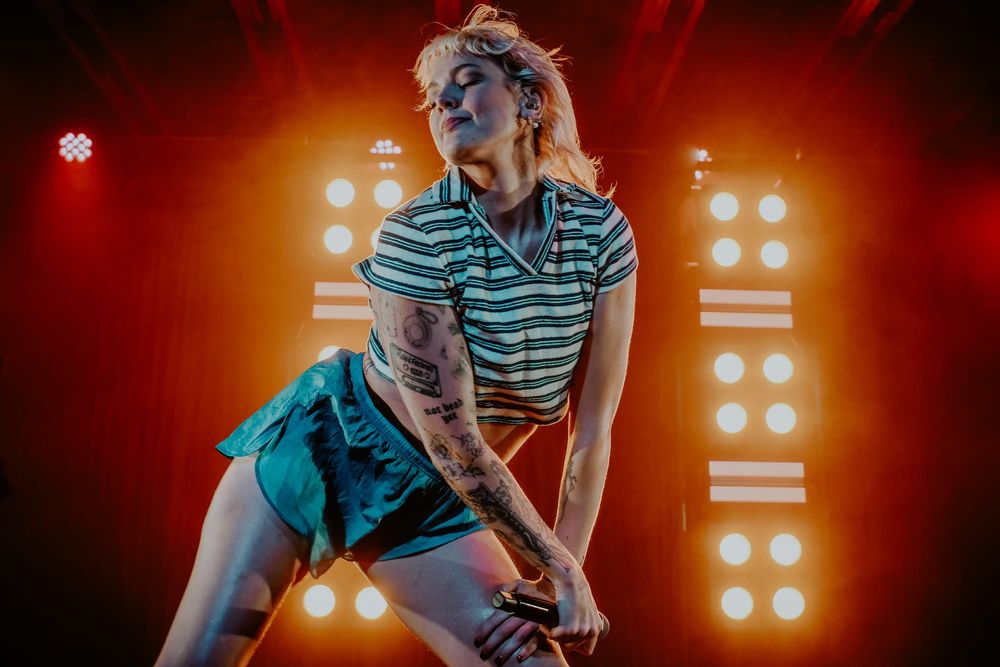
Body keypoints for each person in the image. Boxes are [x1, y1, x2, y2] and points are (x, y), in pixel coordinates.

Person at [155, 5, 637, 666]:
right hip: (320, 453)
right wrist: (565, 570)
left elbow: (594, 429)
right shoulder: (415, 233)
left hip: (438, 501)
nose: (444, 101)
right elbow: (455, 443)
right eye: (433, 96)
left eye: (466, 80)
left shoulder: (600, 232)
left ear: (530, 101)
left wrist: (559, 575)